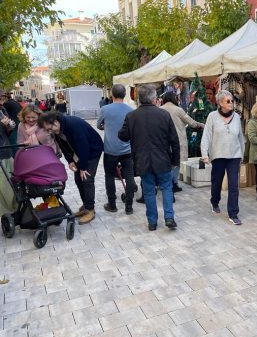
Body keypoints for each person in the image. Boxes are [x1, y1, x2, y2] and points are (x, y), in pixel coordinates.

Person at [118, 84, 180, 231]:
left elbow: (122, 136)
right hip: (163, 158)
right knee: (166, 188)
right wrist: (175, 161)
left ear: (139, 98)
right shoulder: (164, 114)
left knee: (149, 190)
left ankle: (152, 222)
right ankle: (169, 217)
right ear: (154, 98)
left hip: (142, 160)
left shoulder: (131, 116)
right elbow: (174, 140)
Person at [38, 111, 103, 224]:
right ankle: (86, 206)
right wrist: (70, 160)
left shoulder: (73, 125)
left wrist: (83, 167)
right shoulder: (57, 128)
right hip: (79, 153)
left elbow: (83, 147)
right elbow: (63, 146)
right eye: (47, 130)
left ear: (55, 121)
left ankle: (90, 210)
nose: (50, 131)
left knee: (86, 179)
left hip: (92, 151)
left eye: (50, 128)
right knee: (78, 179)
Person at [201, 90, 245, 225]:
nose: (231, 103)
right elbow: (206, 136)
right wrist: (204, 154)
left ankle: (233, 213)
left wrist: (242, 154)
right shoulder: (212, 116)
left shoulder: (237, 117)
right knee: (217, 181)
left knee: (233, 186)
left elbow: (240, 137)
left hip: (234, 155)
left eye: (232, 101)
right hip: (218, 155)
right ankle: (215, 201)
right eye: (228, 101)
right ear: (220, 103)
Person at [97, 84, 136, 215]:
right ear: (125, 95)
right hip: (127, 149)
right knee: (129, 176)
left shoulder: (105, 109)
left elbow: (99, 125)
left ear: (111, 95)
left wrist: (107, 126)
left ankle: (112, 204)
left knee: (109, 175)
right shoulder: (131, 110)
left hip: (110, 149)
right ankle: (129, 207)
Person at [161, 91, 204, 194]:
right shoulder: (178, 110)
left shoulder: (160, 110)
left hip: (163, 141)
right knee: (176, 162)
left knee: (166, 162)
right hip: (177, 140)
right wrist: (201, 125)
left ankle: (165, 183)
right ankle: (174, 184)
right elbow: (192, 123)